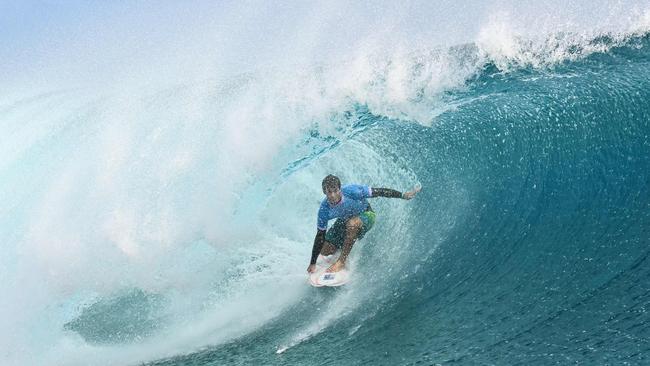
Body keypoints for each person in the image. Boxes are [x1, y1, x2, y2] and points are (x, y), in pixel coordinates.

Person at [307, 174, 421, 274]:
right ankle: (345, 246)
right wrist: (313, 263)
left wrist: (403, 195)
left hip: (366, 215)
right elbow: (320, 235)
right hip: (344, 220)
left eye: (335, 191)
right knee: (325, 250)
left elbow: (379, 191)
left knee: (352, 224)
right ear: (324, 192)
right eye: (329, 192)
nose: (332, 195)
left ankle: (341, 261)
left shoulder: (352, 191)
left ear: (340, 189)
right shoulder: (324, 209)